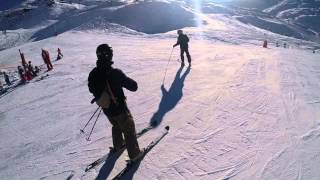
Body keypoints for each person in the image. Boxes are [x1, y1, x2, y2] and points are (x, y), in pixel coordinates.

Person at [88, 44, 142, 161]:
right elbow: (134, 86)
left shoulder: (93, 73)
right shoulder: (115, 73)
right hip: (120, 108)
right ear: (109, 56)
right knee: (128, 129)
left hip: (106, 109)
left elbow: (91, 89)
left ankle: (118, 145)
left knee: (116, 125)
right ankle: (135, 154)